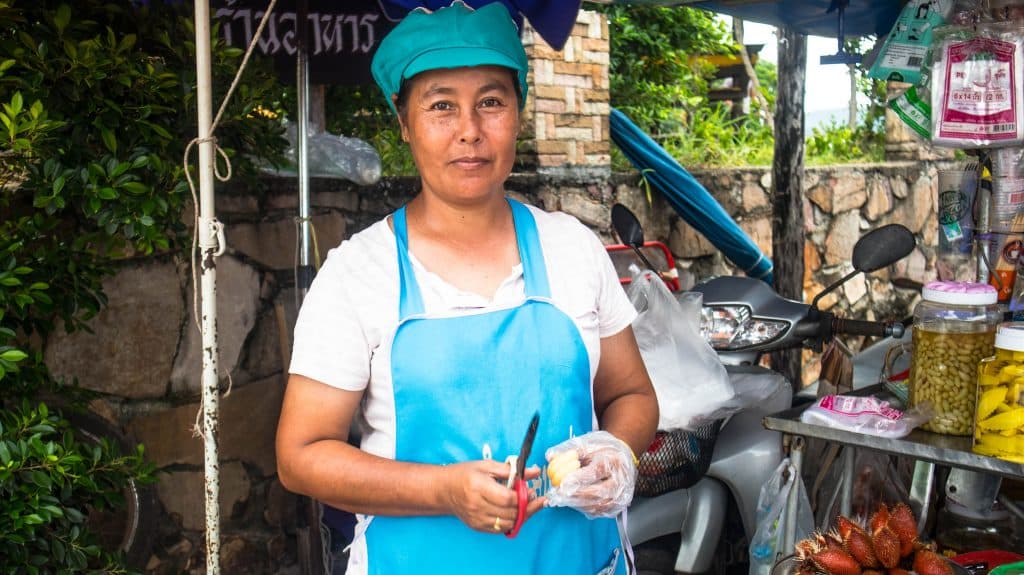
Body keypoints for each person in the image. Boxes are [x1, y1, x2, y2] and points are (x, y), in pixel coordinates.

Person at [275, 2, 659, 573]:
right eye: (440, 106)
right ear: (404, 123)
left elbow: (632, 396)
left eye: (490, 102)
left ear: (519, 113)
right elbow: (302, 456)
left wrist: (614, 451)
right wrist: (445, 490)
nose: (470, 132)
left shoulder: (573, 248)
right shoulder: (358, 273)